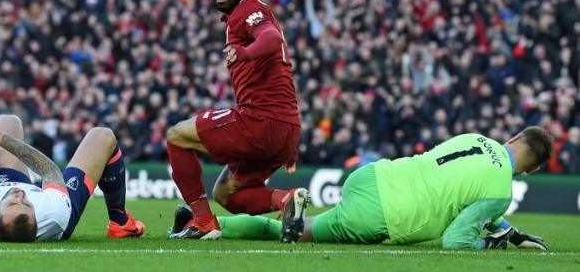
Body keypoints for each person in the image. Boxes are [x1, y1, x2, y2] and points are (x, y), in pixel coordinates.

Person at [171, 127, 552, 249]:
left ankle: (202, 222)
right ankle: (283, 219)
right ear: (532, 170)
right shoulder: (501, 188)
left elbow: (466, 184)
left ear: (515, 136)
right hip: (387, 214)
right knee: (297, 236)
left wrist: (506, 229)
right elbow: (456, 240)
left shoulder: (475, 136)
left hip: (373, 176)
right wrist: (489, 242)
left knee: (291, 231)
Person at [166, 0, 302, 239]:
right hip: (284, 126)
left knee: (177, 136)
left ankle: (202, 221)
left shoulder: (248, 9)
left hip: (260, 120)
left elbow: (270, 36)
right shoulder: (244, 13)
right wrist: (287, 143)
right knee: (227, 193)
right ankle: (286, 200)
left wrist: (246, 52)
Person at [0, 114, 145, 242]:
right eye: (28, 204)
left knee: (7, 121)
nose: (21, 196)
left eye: (14, 204)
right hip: (60, 203)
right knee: (103, 136)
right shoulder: (52, 212)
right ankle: (120, 223)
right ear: (37, 216)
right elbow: (50, 171)